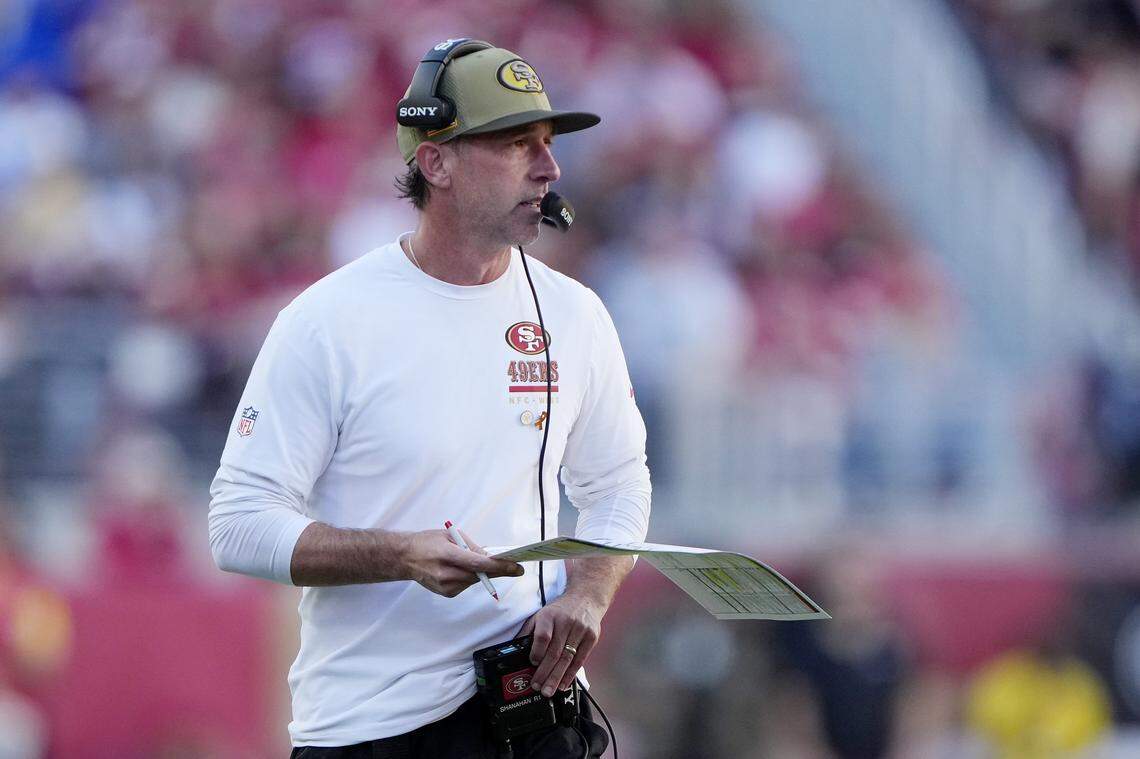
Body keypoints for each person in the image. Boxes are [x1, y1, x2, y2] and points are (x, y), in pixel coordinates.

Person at [208, 40, 651, 758]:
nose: (550, 167)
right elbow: (237, 526)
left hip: (529, 715)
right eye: (516, 144)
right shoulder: (327, 321)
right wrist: (399, 554)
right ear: (435, 161)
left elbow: (619, 480)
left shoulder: (575, 314)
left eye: (548, 143)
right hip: (372, 729)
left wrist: (589, 591)